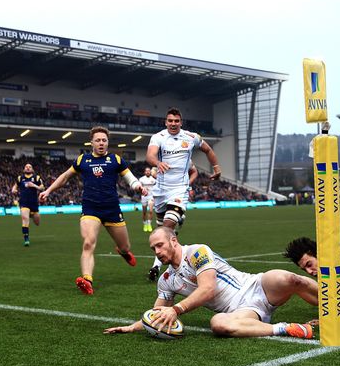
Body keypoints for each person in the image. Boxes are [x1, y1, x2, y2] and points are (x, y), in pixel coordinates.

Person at [103, 227, 340, 339]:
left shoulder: (197, 251)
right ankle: (289, 328)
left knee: (288, 278)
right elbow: (159, 310)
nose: (157, 251)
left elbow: (208, 288)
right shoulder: (166, 279)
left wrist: (178, 310)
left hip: (255, 286)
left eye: (159, 244)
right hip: (240, 312)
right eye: (153, 249)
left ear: (173, 240)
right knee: (218, 324)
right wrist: (135, 325)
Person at [40, 126, 146, 295]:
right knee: (88, 242)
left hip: (112, 209)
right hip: (90, 208)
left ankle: (122, 251)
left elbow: (130, 178)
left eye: (104, 140)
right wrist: (48, 190)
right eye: (98, 140)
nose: (101, 143)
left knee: (125, 246)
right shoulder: (83, 160)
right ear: (91, 143)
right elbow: (65, 177)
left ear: (108, 142)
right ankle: (87, 280)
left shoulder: (116, 160)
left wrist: (138, 186)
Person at [146, 107, 222, 281]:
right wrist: (158, 162)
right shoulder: (158, 137)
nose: (173, 124)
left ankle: (159, 266)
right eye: (170, 121)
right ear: (166, 122)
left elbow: (208, 150)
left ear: (181, 122)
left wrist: (216, 168)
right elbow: (150, 155)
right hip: (160, 191)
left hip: (180, 190)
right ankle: (165, 261)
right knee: (162, 231)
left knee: (167, 226)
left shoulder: (191, 137)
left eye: (176, 121)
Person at [11, 163, 44, 247]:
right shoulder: (20, 178)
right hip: (24, 202)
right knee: (25, 219)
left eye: (30, 167)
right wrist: (13, 190)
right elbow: (15, 187)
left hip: (34, 203)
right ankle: (26, 239)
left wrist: (34, 185)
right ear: (24, 169)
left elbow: (42, 188)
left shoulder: (37, 177)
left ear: (32, 169)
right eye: (26, 167)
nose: (28, 168)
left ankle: (32, 215)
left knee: (37, 222)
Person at [138, 167, 157, 232]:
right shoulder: (141, 179)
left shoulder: (153, 180)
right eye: (146, 171)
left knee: (151, 211)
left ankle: (149, 224)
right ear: (144, 172)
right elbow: (139, 188)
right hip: (144, 197)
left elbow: (156, 187)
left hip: (150, 197)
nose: (148, 172)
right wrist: (143, 190)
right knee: (144, 212)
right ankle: (145, 224)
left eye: (149, 171)